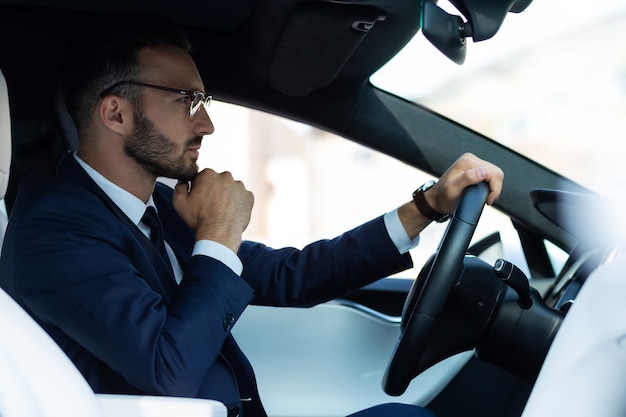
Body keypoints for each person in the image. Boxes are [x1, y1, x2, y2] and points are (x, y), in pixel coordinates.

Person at [0, 15, 503, 417]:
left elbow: (292, 277)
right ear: (116, 114)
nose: (207, 123)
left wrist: (427, 207)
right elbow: (167, 369)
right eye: (187, 100)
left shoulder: (158, 206)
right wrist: (219, 232)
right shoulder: (54, 230)